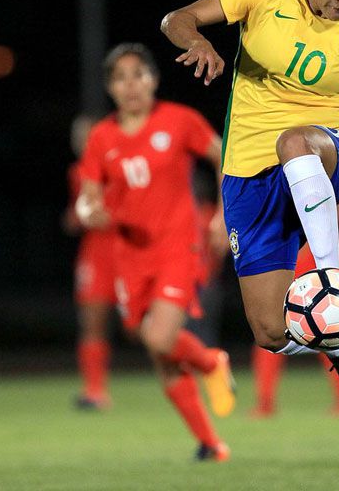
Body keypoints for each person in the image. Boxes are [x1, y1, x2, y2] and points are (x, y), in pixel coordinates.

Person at [160, 0, 339, 396]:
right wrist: (198, 41)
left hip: (328, 150)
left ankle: (332, 282)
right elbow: (176, 19)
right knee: (269, 331)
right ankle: (338, 342)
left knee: (294, 141)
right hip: (249, 172)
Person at [77, 43, 236, 462]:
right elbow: (90, 195)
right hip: (129, 255)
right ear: (110, 87)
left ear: (154, 80)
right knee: (157, 350)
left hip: (177, 247)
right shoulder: (101, 137)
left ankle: (208, 361)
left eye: (138, 74)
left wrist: (222, 215)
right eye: (121, 77)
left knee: (160, 336)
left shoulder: (178, 120)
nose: (131, 85)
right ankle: (210, 441)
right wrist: (88, 210)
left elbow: (223, 155)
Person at [251, 194, 339, 417]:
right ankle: (265, 403)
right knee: (274, 328)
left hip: (316, 257)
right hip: (288, 254)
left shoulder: (328, 164)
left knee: (330, 330)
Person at [63, 114, 117, 410]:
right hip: (95, 254)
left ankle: (198, 366)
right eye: (80, 137)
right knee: (92, 321)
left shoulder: (120, 164)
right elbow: (77, 216)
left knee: (144, 326)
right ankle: (95, 391)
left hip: (125, 249)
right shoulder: (78, 172)